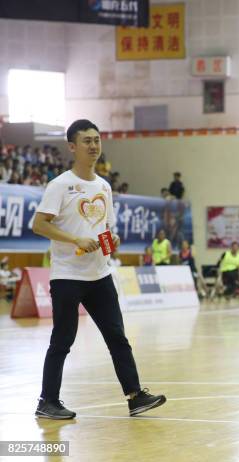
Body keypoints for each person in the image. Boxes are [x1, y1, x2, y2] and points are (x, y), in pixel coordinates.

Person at [32, 119, 166, 420]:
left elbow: (103, 229)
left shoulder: (104, 186)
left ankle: (135, 396)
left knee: (117, 337)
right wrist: (74, 239)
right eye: (87, 141)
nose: (93, 146)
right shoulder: (60, 185)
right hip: (68, 276)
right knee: (62, 340)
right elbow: (39, 224)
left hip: (100, 275)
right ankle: (47, 401)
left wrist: (111, 240)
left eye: (97, 140)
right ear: (72, 147)